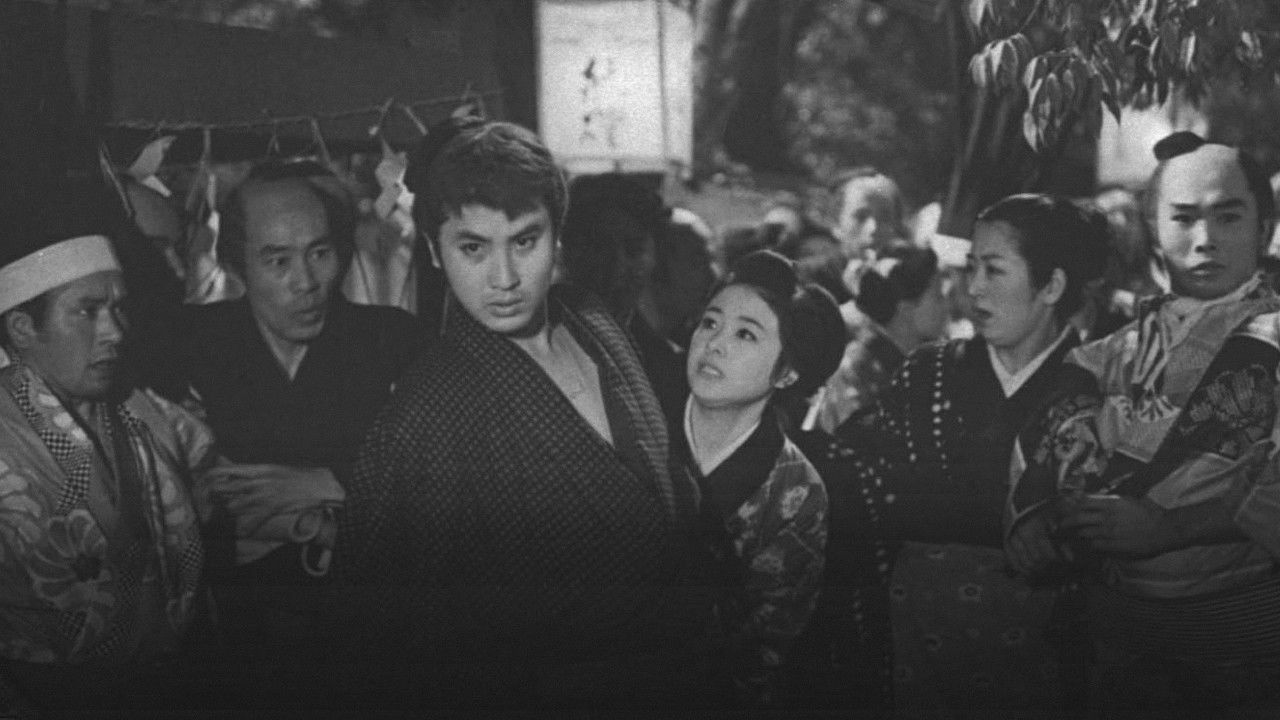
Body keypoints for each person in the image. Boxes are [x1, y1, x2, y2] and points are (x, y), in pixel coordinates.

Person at [332, 120, 707, 713]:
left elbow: (668, 501)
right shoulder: (427, 412)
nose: (503, 280)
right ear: (434, 250)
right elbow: (379, 630)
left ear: (558, 237)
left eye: (525, 242)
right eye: (473, 248)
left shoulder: (597, 324)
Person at [1008, 133, 1280, 719]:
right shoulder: (1104, 356)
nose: (1204, 240)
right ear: (1154, 231)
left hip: (1246, 641)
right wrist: (1037, 517)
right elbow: (1044, 456)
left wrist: (1172, 527)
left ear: (1265, 228)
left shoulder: (1272, 344)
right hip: (1116, 639)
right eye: (1183, 219)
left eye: (1228, 217)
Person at [842, 194, 1108, 718]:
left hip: (1043, 658)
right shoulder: (927, 372)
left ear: (1051, 285)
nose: (973, 288)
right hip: (916, 646)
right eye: (970, 269)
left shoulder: (1095, 390)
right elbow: (859, 480)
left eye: (994, 270)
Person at [173, 159, 422, 709]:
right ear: (236, 264)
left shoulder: (393, 341)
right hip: (234, 657)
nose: (306, 283)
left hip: (374, 651)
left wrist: (330, 483)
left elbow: (442, 496)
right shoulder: (193, 345)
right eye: (277, 260)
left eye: (319, 253)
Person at [0, 186, 211, 717]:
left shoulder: (149, 412)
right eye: (88, 312)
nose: (115, 331)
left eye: (118, 307)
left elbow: (226, 494)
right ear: (23, 328)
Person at [678, 249, 843, 708]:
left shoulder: (797, 490)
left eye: (746, 334)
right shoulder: (637, 419)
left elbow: (764, 648)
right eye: (710, 323)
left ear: (788, 372)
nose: (714, 344)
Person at [810, 245, 949, 438]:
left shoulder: (918, 362)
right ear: (906, 308)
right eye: (938, 296)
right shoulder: (857, 372)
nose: (947, 305)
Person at [831, 168, 910, 260]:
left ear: (897, 225)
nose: (873, 228)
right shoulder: (816, 272)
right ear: (836, 223)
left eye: (885, 218)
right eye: (861, 217)